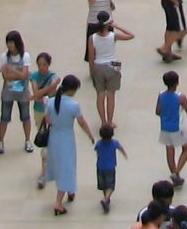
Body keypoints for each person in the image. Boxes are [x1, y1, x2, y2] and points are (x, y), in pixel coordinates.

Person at [43, 72, 94, 216]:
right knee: (68, 167)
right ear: (72, 89)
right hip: (66, 137)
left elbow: (47, 119)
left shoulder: (52, 102)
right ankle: (58, 202)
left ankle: (70, 190)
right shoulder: (73, 105)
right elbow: (82, 122)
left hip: (54, 136)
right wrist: (90, 134)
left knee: (61, 165)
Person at [158, 67, 187, 186]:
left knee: (169, 150)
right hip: (178, 127)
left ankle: (174, 173)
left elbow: (157, 111)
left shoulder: (161, 95)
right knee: (186, 148)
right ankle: (176, 172)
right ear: (177, 82)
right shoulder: (180, 97)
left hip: (164, 127)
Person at [89, 11, 134, 126]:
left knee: (100, 95)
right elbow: (131, 35)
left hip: (98, 66)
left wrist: (92, 71)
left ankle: (103, 121)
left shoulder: (92, 38)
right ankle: (110, 121)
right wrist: (117, 26)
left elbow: (91, 57)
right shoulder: (113, 36)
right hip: (112, 66)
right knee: (111, 95)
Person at [0, 31, 29, 155]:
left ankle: (27, 140)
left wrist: (12, 70)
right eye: (8, 42)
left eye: (12, 42)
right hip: (8, 92)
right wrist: (17, 74)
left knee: (25, 117)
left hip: (22, 92)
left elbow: (25, 75)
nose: (9, 45)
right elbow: (5, 76)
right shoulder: (4, 56)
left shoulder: (25, 56)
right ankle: (0, 141)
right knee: (4, 117)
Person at [26, 52, 57, 187]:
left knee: (53, 140)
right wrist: (50, 87)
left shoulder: (53, 76)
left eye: (44, 65)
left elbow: (45, 95)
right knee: (44, 140)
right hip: (39, 111)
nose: (41, 67)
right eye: (39, 65)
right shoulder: (34, 76)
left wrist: (39, 93)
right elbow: (37, 94)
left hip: (51, 111)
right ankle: (44, 171)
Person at [81, 0, 116, 68]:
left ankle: (111, 68)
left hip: (107, 22)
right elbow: (91, 1)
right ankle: (93, 71)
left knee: (109, 47)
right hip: (93, 22)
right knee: (92, 51)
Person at [96, 121, 126, 211]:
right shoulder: (114, 143)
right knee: (110, 185)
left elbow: (97, 151)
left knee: (103, 185)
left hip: (100, 167)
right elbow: (121, 148)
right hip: (110, 167)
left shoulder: (98, 143)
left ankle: (106, 198)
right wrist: (124, 154)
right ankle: (106, 199)